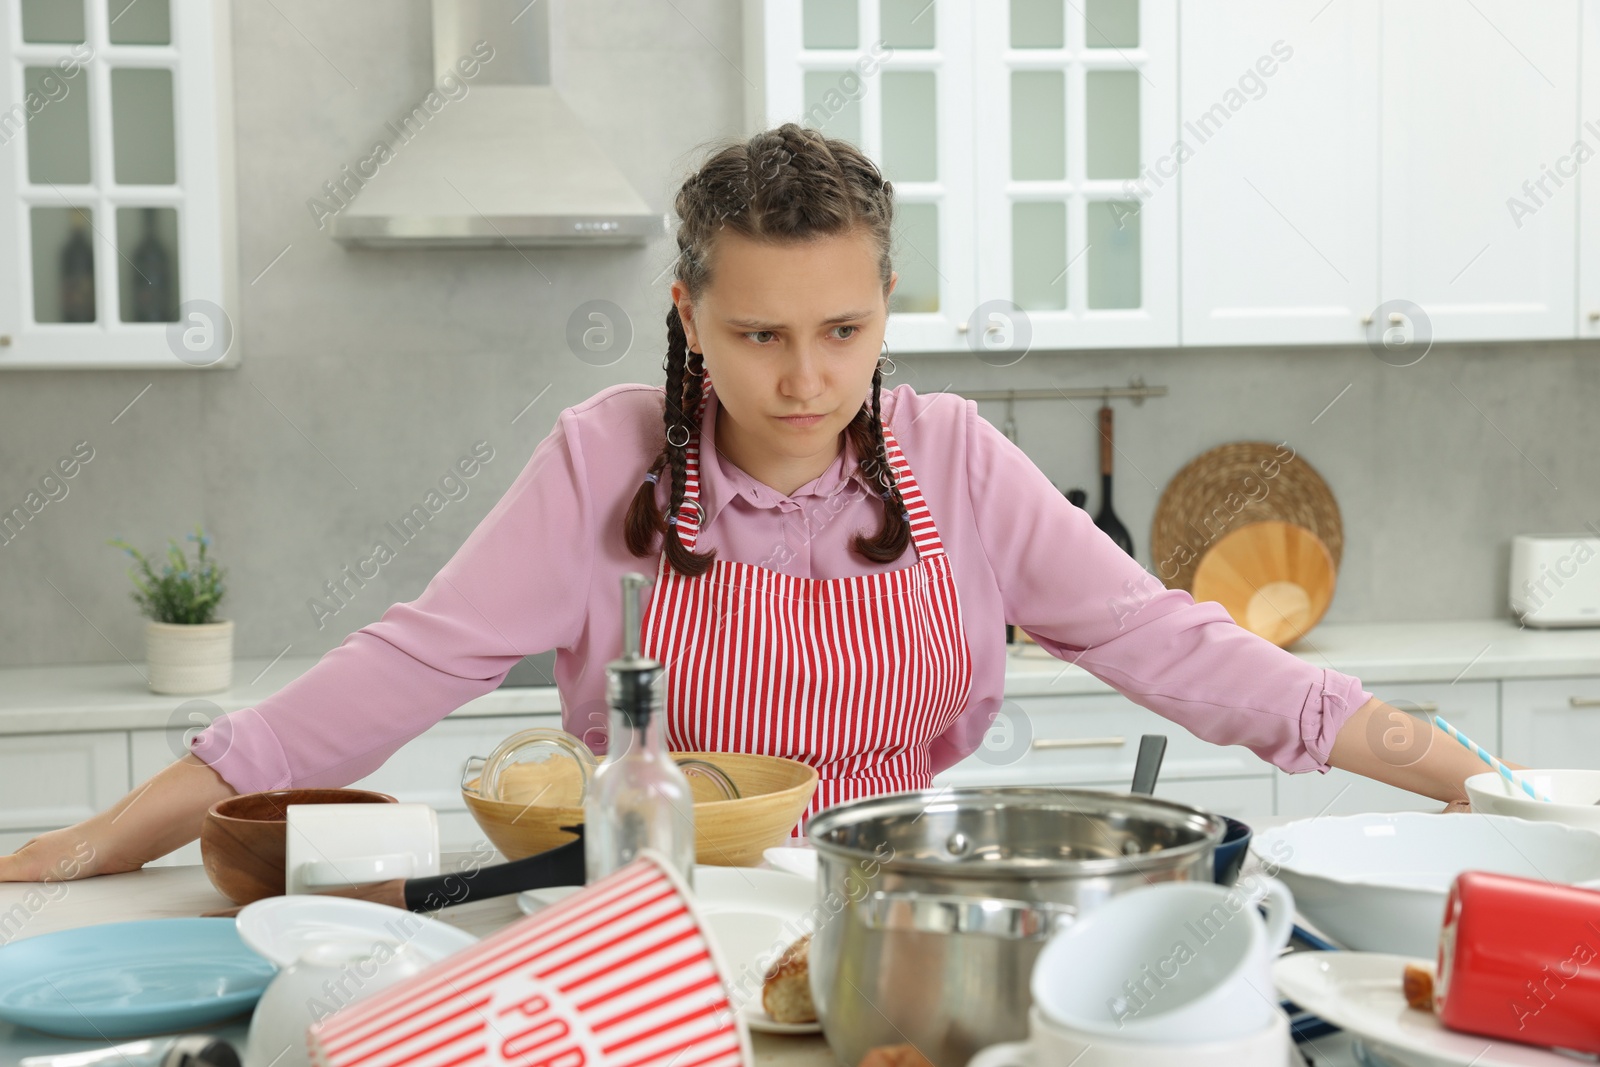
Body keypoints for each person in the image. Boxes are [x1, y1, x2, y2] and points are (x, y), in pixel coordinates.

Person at [0, 124, 1491, 884]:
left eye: (843, 332)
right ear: (688, 316)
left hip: (903, 912)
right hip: (655, 932)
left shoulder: (957, 457)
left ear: (886, 307)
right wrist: (85, 848)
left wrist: (1460, 777)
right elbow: (392, 675)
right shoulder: (606, 459)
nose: (804, 378)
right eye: (760, 334)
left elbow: (1180, 645)